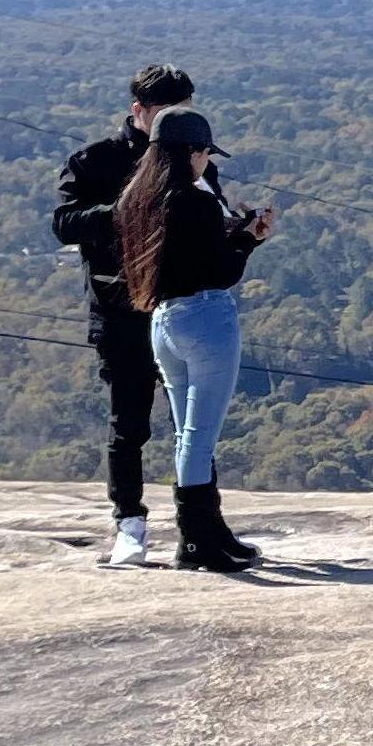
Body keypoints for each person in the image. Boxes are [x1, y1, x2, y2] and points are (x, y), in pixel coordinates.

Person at [114, 106, 275, 570]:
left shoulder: (136, 200)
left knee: (188, 434)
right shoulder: (196, 200)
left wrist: (234, 233)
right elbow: (221, 270)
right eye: (204, 152)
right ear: (190, 153)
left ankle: (209, 534)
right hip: (206, 320)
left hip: (163, 323)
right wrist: (249, 239)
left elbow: (178, 256)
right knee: (199, 437)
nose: (207, 160)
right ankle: (196, 541)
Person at [53, 64, 197, 566]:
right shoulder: (96, 161)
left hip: (181, 308)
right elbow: (65, 224)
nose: (171, 124)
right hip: (120, 311)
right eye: (162, 113)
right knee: (130, 421)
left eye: (181, 113)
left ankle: (200, 526)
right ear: (138, 110)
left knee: (194, 423)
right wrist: (125, 210)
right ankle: (130, 525)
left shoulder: (191, 154)